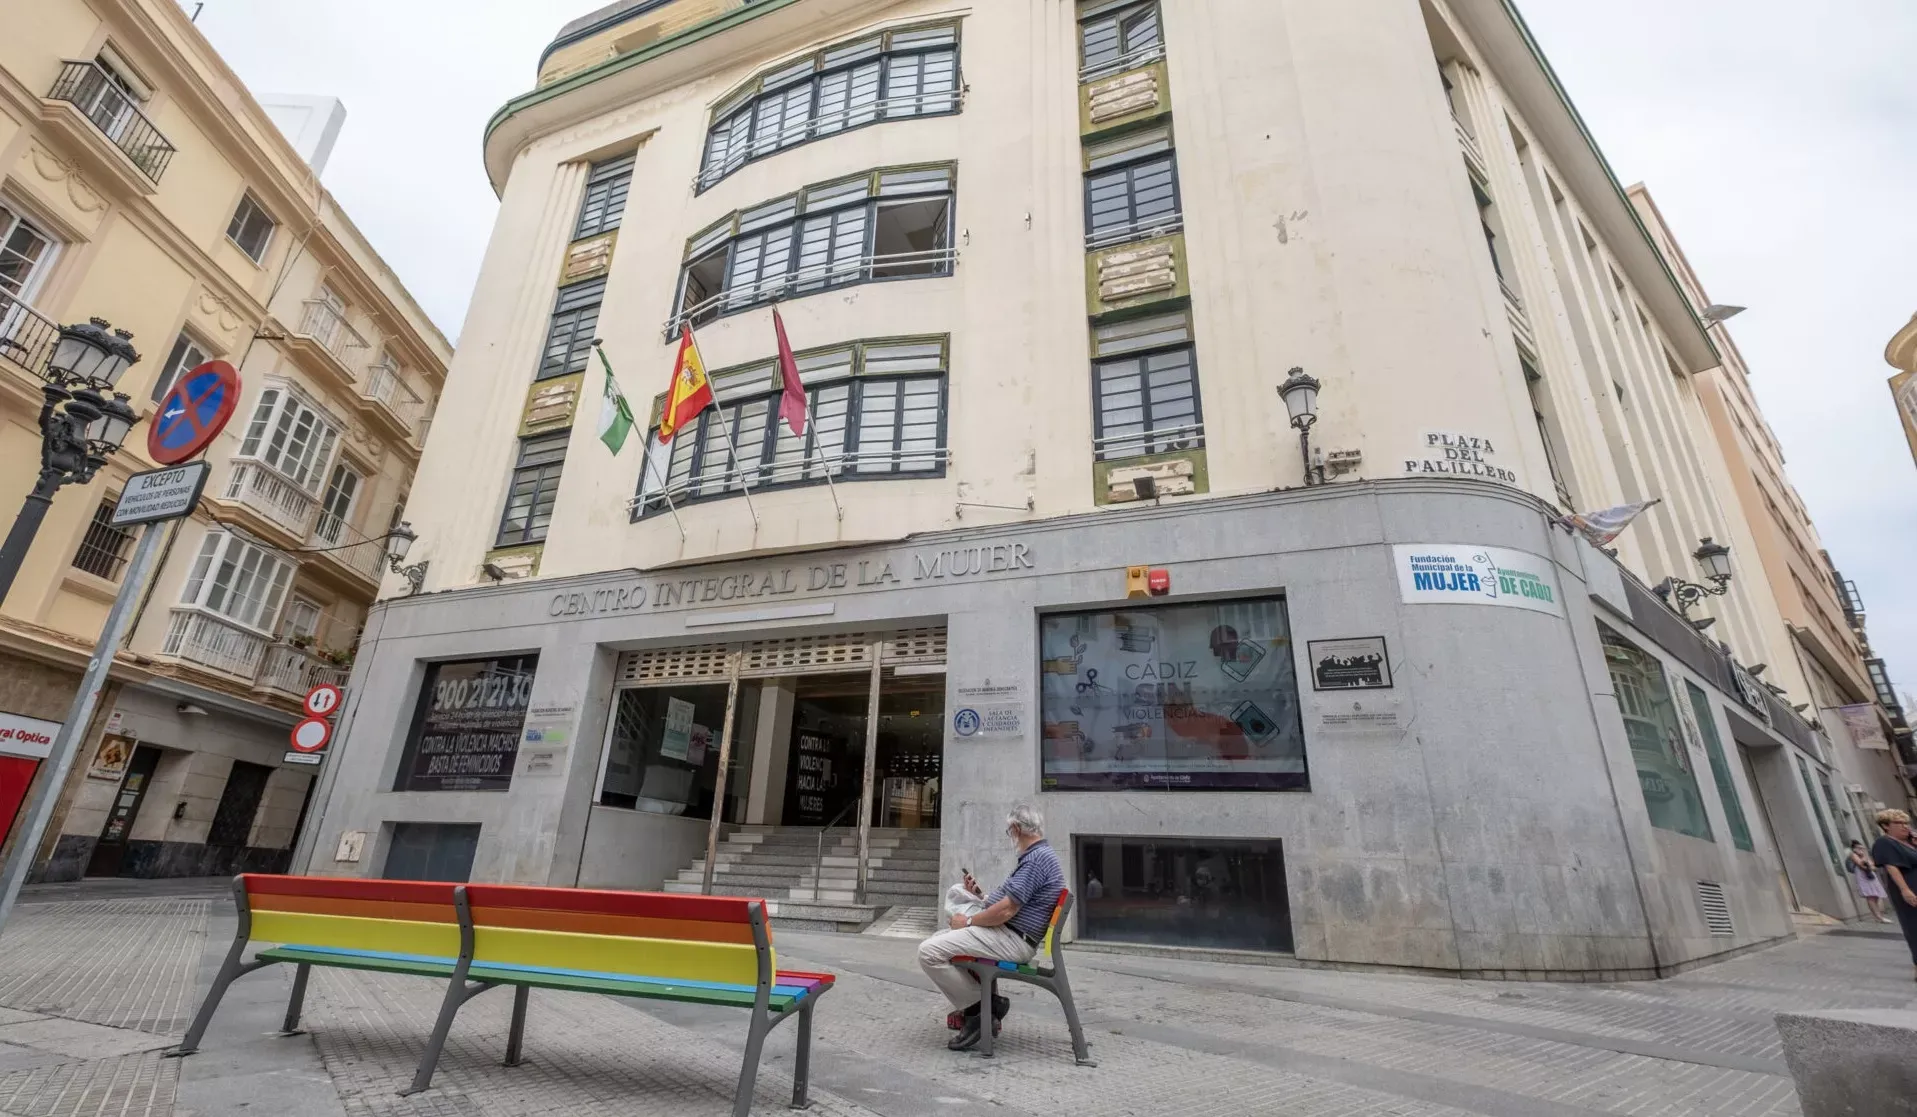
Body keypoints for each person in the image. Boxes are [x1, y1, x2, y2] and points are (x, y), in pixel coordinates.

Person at [917, 803, 1065, 1051]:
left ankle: (982, 1009)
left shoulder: (1036, 861)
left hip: (1013, 940)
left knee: (928, 952)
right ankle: (983, 1006)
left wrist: (968, 921)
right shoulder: (1040, 856)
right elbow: (1008, 904)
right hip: (1012, 934)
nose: (1010, 837)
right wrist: (981, 896)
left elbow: (1007, 911)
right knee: (940, 938)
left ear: (1016, 829)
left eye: (1009, 831)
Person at [1868, 808, 1917, 981]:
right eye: (1899, 823)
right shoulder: (1885, 843)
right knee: (1914, 925)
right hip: (1910, 888)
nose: (1905, 826)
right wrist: (1905, 890)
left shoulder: (1909, 843)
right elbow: (1891, 866)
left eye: (1906, 823)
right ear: (1886, 826)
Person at [1847, 839, 1892, 923]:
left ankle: (1877, 915)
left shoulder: (1864, 855)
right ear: (1854, 849)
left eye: (1861, 848)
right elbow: (1861, 864)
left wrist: (1866, 856)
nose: (1860, 849)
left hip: (1871, 875)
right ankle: (1879, 917)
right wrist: (1863, 855)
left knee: (1876, 895)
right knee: (1870, 896)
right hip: (1863, 876)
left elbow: (1872, 866)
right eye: (1858, 848)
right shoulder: (1853, 855)